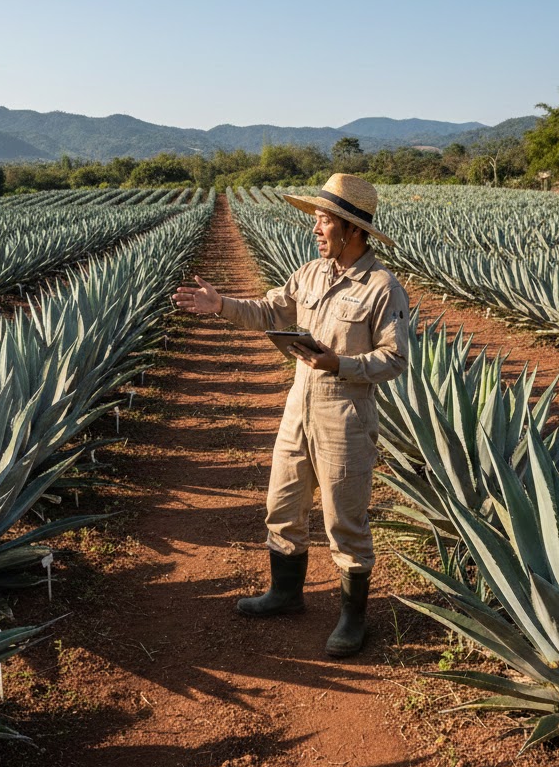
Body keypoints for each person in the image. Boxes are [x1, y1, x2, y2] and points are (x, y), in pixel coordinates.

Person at [172, 173, 409, 656]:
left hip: (346, 416)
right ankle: (285, 594)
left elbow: (395, 359)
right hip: (297, 409)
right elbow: (269, 311)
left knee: (345, 519)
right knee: (282, 505)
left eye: (324, 221)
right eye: (317, 220)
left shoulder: (382, 287)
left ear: (352, 229)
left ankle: (352, 619)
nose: (316, 229)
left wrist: (338, 363)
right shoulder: (310, 273)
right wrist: (221, 305)